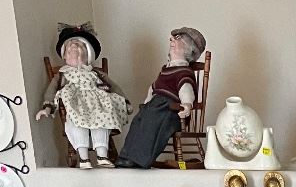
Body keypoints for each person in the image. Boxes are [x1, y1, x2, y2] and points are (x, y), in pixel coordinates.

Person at [36, 23, 128, 168]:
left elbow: (113, 86)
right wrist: (47, 107)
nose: (75, 49)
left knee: (102, 122)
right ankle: (83, 158)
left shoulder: (96, 73)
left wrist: (124, 101)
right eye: (70, 48)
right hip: (75, 105)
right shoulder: (63, 74)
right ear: (65, 56)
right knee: (76, 123)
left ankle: (102, 155)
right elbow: (51, 90)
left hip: (98, 106)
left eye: (80, 47)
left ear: (88, 54)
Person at [116, 27, 205, 168]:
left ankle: (140, 159)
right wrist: (147, 103)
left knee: (151, 123)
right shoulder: (166, 69)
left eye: (178, 39)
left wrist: (187, 105)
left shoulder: (184, 72)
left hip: (171, 111)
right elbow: (153, 88)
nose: (172, 40)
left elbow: (186, 89)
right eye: (173, 38)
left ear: (189, 48)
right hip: (155, 106)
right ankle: (127, 155)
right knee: (138, 122)